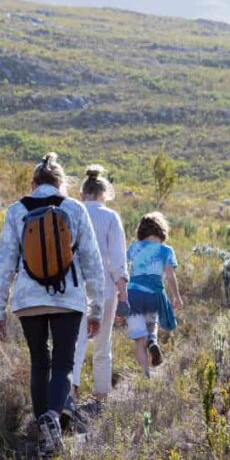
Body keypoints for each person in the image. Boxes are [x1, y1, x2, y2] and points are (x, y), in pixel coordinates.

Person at [0, 153, 105, 458]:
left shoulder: (16, 211)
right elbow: (92, 263)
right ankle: (54, 416)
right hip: (68, 299)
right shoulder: (75, 209)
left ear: (33, 182)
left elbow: (4, 265)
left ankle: (44, 434)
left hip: (28, 299)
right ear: (62, 183)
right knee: (64, 363)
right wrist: (97, 309)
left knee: (40, 362)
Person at [70, 166, 128, 413]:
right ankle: (101, 397)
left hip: (74, 288)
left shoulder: (73, 213)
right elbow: (118, 261)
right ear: (103, 193)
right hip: (104, 290)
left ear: (83, 192)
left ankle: (69, 395)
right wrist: (123, 293)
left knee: (75, 343)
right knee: (103, 345)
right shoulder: (111, 217)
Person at [126, 212, 183, 378]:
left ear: (141, 230)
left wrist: (118, 293)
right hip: (154, 295)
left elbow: (121, 267)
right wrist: (176, 297)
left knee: (139, 340)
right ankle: (153, 340)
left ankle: (146, 375)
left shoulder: (135, 247)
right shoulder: (166, 250)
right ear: (161, 230)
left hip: (134, 295)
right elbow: (170, 276)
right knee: (152, 323)